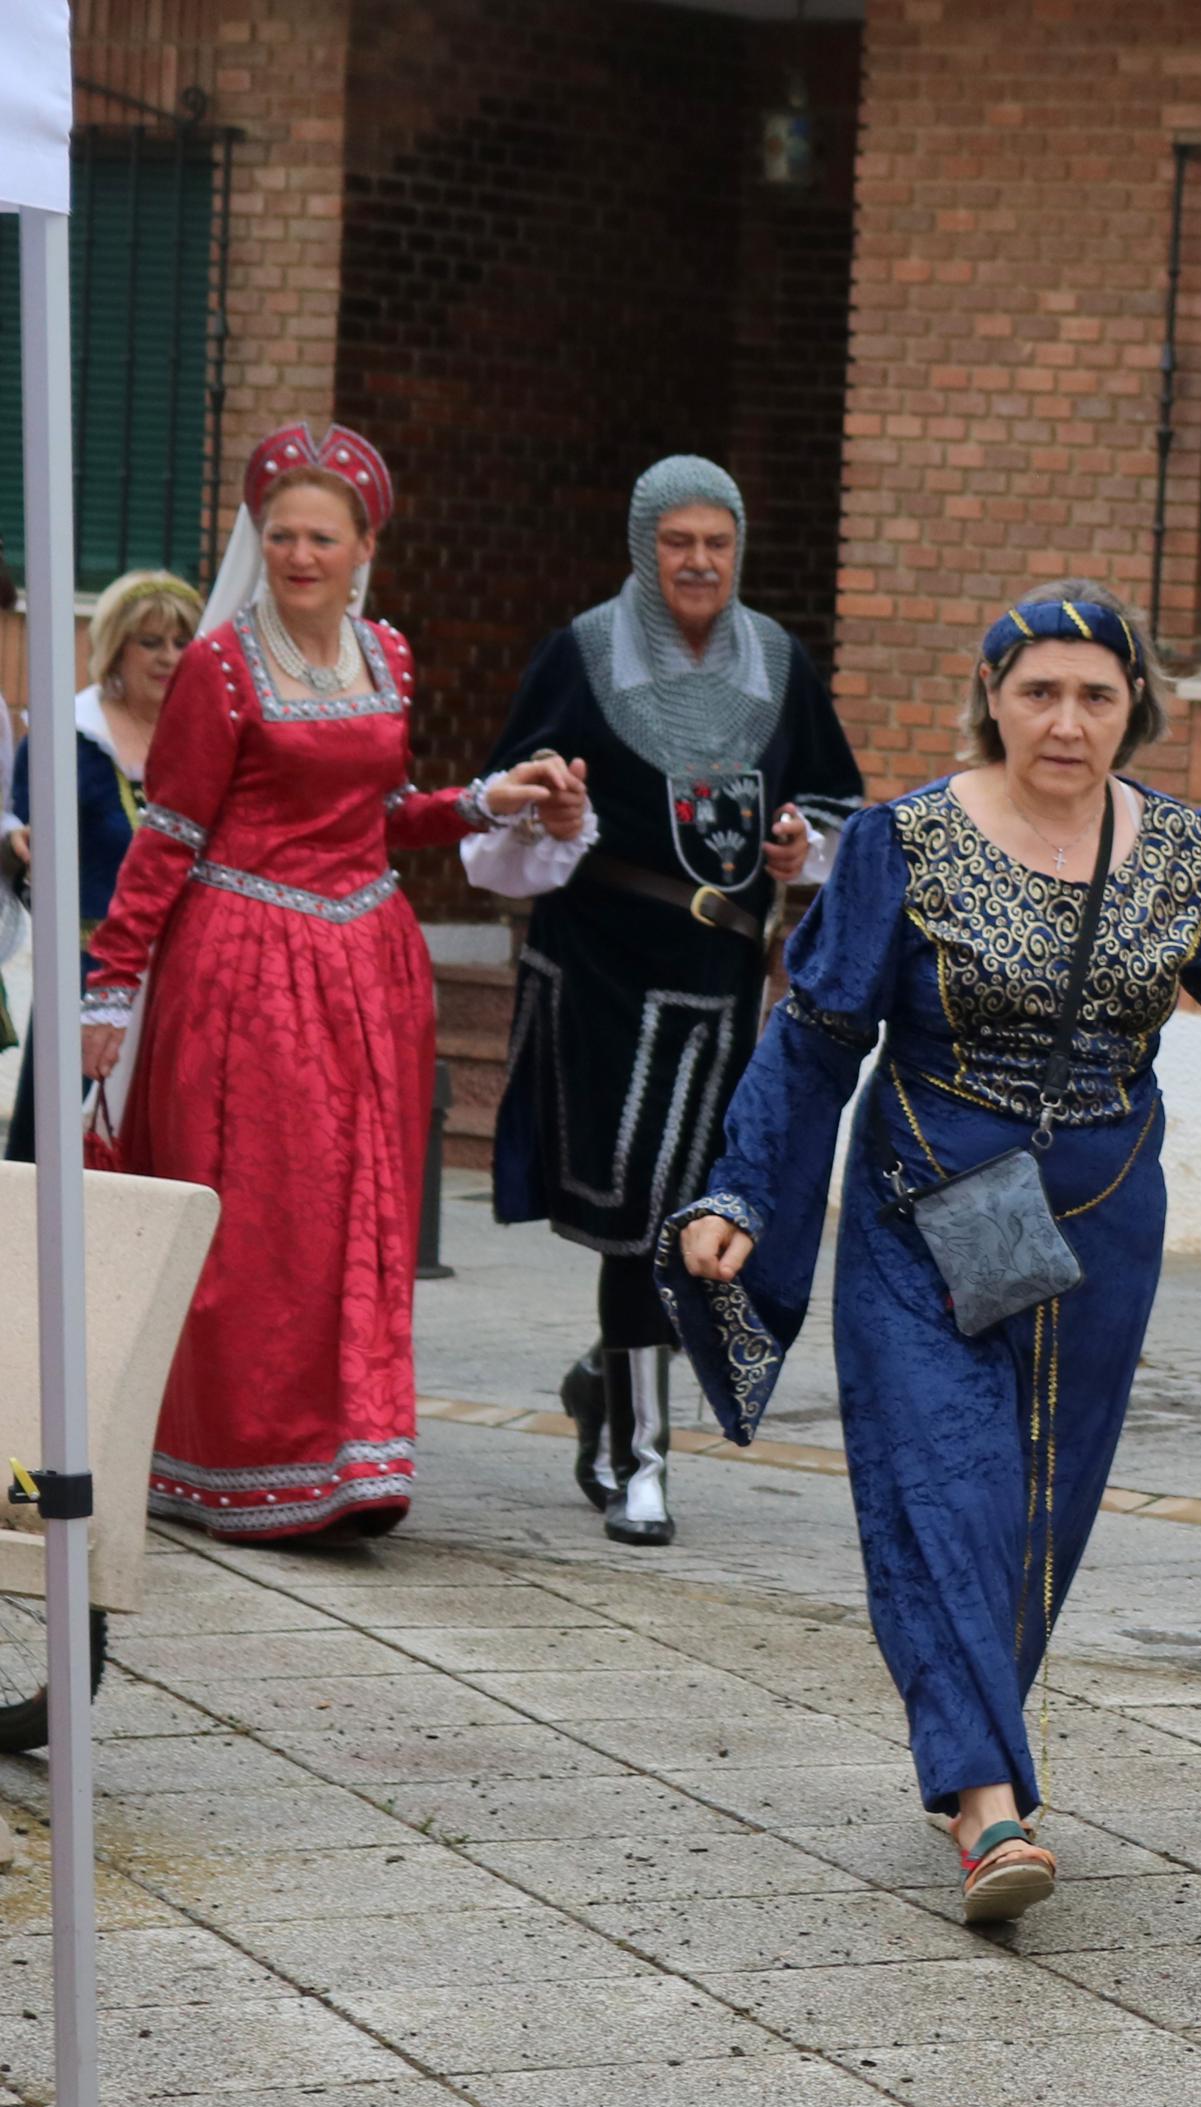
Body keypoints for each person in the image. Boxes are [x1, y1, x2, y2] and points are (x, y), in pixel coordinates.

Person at [665, 581, 1201, 1924]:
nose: (1065, 718)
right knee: (944, 1483)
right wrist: (741, 1194)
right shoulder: (901, 841)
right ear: (991, 697)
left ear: (1133, 709)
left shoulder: (1180, 848)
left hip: (1103, 1220)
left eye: (1096, 694)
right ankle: (991, 1805)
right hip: (923, 1209)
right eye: (1038, 688)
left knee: (1037, 1511)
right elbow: (815, 1036)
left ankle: (966, 1753)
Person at [84, 425, 584, 1540]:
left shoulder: (388, 654)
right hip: (246, 971)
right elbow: (169, 834)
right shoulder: (220, 668)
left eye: (321, 536)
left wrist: (481, 801)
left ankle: (352, 1460)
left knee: (359, 1213)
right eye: (280, 535)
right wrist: (113, 986)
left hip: (366, 968)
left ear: (365, 544)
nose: (298, 554)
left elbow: (377, 814)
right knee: (265, 1217)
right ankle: (245, 1465)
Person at [467, 455, 866, 1545]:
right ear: (647, 548)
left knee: (694, 1217)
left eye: (717, 543)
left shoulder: (776, 661)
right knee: (638, 1220)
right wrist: (549, 809)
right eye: (679, 543)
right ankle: (636, 1453)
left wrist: (800, 841)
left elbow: (836, 794)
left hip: (722, 976)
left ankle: (616, 1399)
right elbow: (507, 793)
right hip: (603, 967)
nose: (699, 563)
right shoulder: (584, 653)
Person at [5, 566, 197, 1161]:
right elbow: (19, 827)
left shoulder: (204, 738)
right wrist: (20, 844)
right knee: (60, 1149)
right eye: (150, 641)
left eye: (180, 641)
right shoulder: (67, 734)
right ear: (116, 647)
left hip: (183, 979)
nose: (168, 657)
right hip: (84, 975)